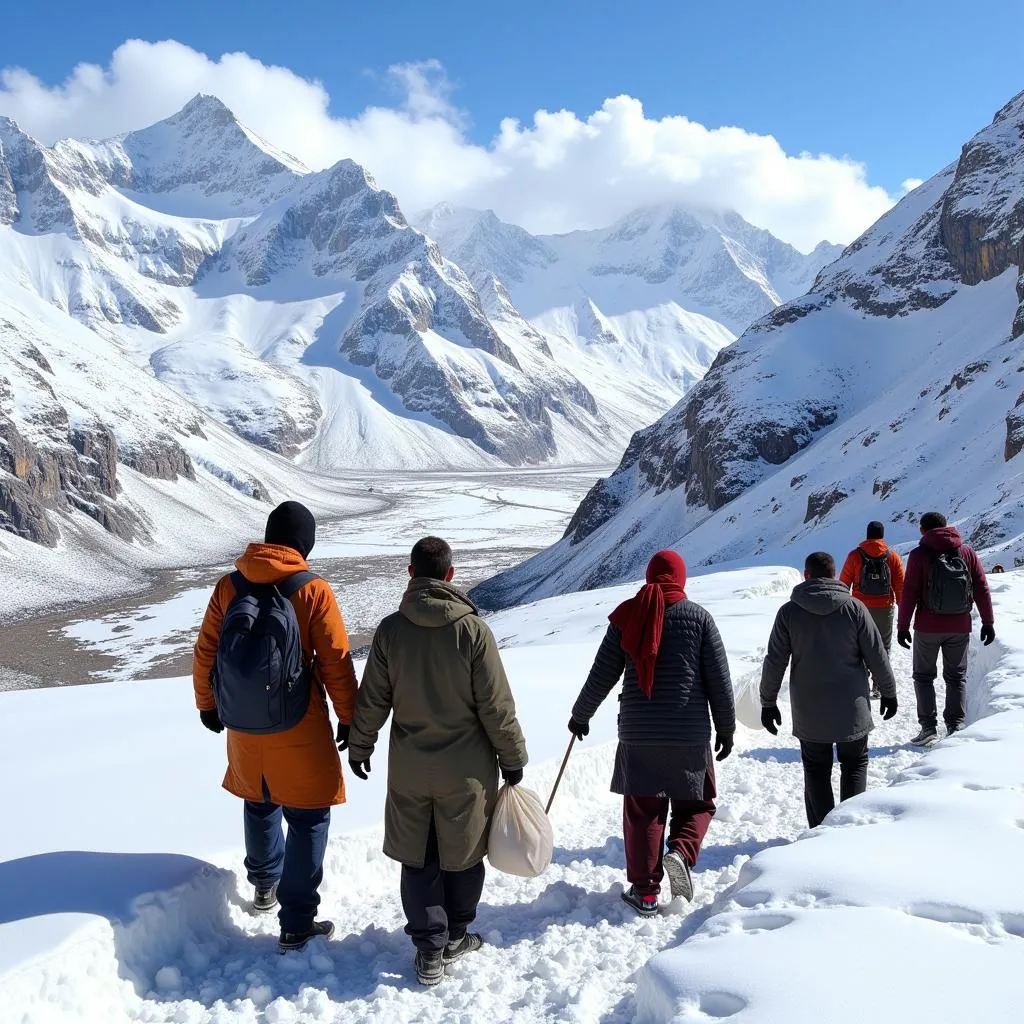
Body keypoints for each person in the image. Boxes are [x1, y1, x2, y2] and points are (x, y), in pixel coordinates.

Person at [348, 537, 528, 986]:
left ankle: (429, 948)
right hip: (466, 771)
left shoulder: (391, 630)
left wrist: (360, 746)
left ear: (411, 574)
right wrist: (513, 758)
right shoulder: (473, 631)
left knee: (419, 855)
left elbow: (372, 699)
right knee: (464, 854)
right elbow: (496, 706)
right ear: (450, 575)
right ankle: (457, 935)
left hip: (410, 768)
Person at [193, 501, 357, 952]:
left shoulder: (230, 585)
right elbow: (335, 663)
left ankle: (264, 884)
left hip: (244, 725)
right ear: (304, 543)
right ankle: (297, 922)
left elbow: (206, 651)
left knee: (259, 799)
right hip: (298, 726)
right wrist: (349, 717)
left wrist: (207, 704)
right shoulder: (312, 590)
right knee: (307, 816)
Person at [568, 550, 735, 918]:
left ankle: (645, 893)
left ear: (649, 576)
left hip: (638, 732)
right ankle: (680, 851)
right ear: (681, 577)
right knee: (698, 802)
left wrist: (581, 716)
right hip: (688, 731)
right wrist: (726, 727)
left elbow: (602, 674)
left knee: (644, 811)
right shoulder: (700, 619)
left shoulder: (628, 616)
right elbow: (719, 681)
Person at [760, 552, 897, 829]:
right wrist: (889, 691)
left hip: (809, 709)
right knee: (855, 763)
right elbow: (876, 654)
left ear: (806, 575)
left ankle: (821, 833)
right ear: (835, 576)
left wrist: (768, 702)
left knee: (816, 768)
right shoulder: (855, 608)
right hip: (852, 706)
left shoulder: (789, 612)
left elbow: (775, 660)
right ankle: (850, 831)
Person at [897, 512, 995, 745]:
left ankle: (928, 728)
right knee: (956, 677)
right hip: (959, 625)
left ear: (923, 530)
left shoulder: (919, 554)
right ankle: (956, 725)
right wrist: (988, 622)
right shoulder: (967, 552)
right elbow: (981, 587)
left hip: (927, 627)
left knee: (923, 676)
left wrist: (902, 626)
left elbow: (909, 592)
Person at [839, 522, 905, 698]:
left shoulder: (854, 556)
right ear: (882, 536)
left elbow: (843, 584)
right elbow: (900, 588)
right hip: (884, 608)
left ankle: (861, 683)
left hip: (859, 608)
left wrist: (841, 608)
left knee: (858, 645)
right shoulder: (893, 557)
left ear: (867, 535)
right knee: (882, 647)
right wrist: (904, 615)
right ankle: (879, 685)